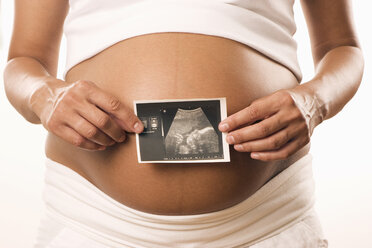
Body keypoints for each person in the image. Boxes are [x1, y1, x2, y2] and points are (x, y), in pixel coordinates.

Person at [3, 0, 364, 247]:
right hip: (93, 220)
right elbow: (24, 60)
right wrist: (43, 95)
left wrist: (315, 99)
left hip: (267, 220)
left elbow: (343, 46)